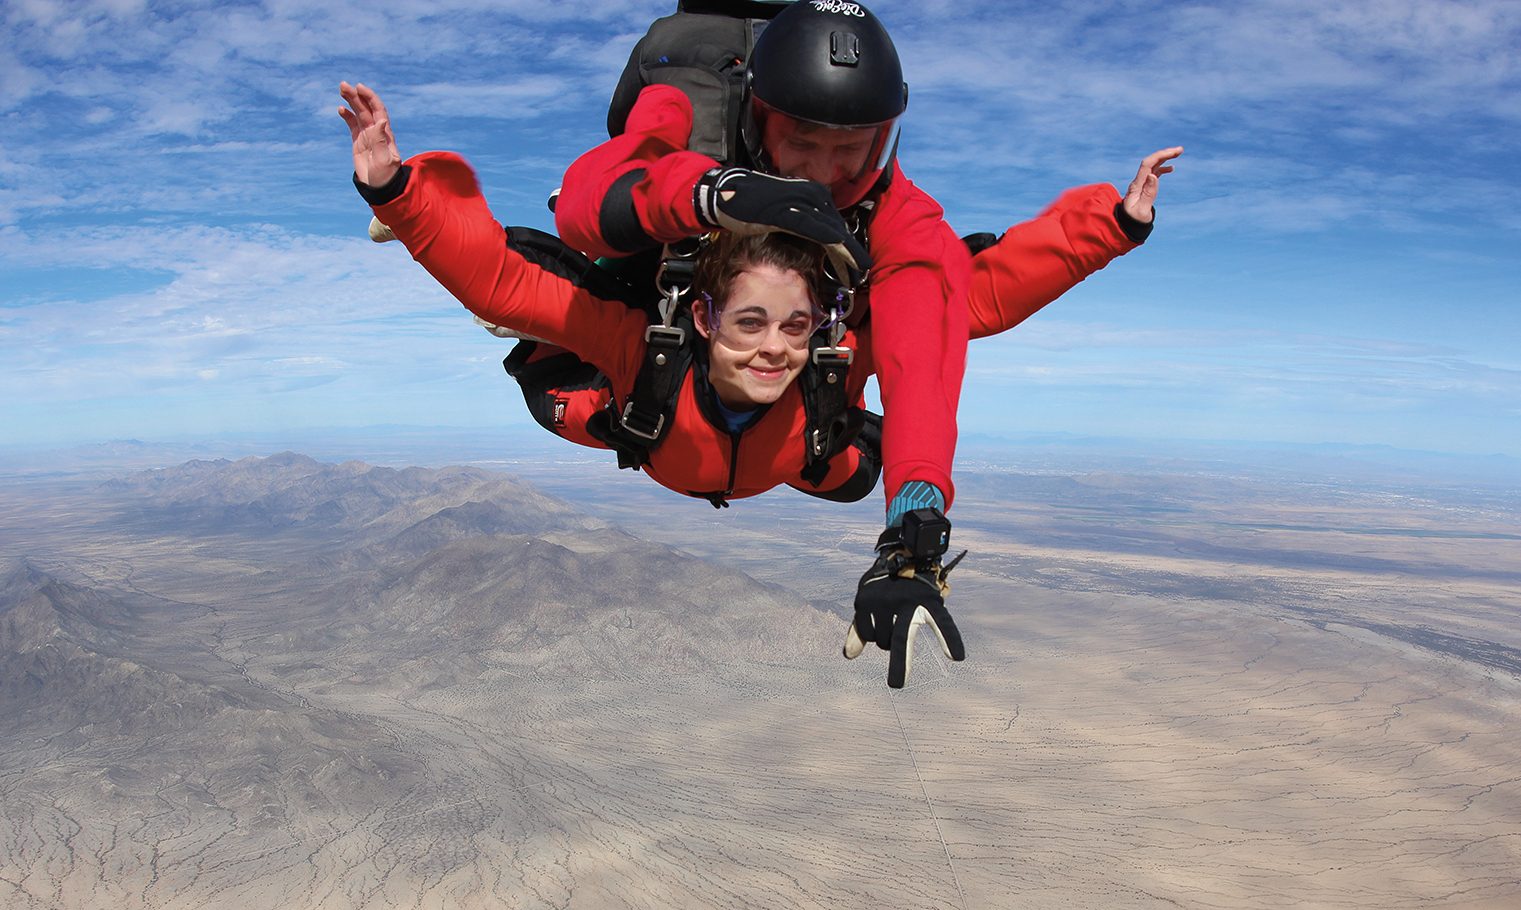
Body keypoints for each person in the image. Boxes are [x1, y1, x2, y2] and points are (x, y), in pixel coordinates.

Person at [339, 81, 1177, 686]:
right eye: (748, 324)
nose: (775, 349)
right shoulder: (649, 344)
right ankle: (637, 154)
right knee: (551, 355)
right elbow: (493, 282)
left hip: (796, 459)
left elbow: (968, 301)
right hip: (638, 422)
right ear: (703, 319)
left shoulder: (830, 354)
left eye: (794, 325)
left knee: (863, 470)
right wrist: (397, 191)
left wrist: (1109, 225)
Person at [552, 1, 1179, 682]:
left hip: (782, 420)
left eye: (849, 148)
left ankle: (801, 430)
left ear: (881, 140)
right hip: (665, 344)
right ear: (759, 121)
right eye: (803, 142)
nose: (825, 172)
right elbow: (592, 201)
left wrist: (915, 520)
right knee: (554, 375)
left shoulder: (893, 210)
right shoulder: (690, 111)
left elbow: (936, 327)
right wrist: (704, 196)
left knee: (865, 448)